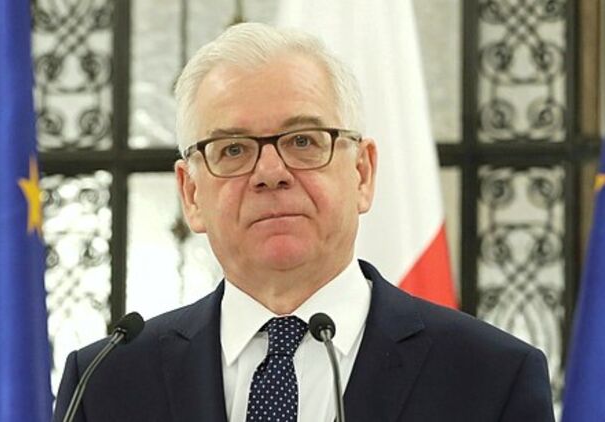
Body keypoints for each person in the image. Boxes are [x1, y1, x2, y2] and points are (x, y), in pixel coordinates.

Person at [53, 22, 554, 422]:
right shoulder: (103, 383)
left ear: (362, 173)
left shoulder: (491, 379)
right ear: (191, 193)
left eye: (303, 142)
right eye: (232, 149)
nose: (270, 173)